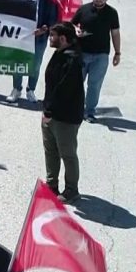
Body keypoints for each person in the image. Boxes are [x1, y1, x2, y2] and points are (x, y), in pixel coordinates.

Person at [42, 23, 85, 202]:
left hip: (65, 117)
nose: (50, 38)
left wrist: (49, 111)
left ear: (63, 38)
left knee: (67, 153)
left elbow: (64, 89)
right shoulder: (59, 53)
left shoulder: (72, 59)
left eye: (52, 35)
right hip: (50, 113)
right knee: (50, 150)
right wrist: (46, 110)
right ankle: (51, 185)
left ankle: (71, 190)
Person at [71, 0, 121, 122]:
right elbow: (72, 24)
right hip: (82, 53)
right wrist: (76, 30)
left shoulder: (112, 13)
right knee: (76, 82)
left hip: (101, 55)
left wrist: (117, 53)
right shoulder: (83, 9)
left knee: (94, 85)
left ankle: (89, 112)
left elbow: (115, 33)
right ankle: (75, 109)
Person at [9, 0, 59, 103]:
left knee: (35, 65)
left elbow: (52, 19)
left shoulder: (49, 0)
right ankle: (16, 89)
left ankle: (31, 90)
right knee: (18, 63)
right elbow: (15, 15)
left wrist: (43, 30)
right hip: (23, 37)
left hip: (39, 39)